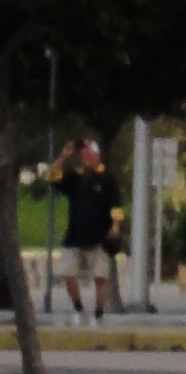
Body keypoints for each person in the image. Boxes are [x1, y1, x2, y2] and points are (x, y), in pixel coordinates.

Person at [52, 138, 120, 324]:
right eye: (82, 155)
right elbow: (53, 179)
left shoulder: (108, 178)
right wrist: (62, 157)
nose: (85, 159)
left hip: (100, 238)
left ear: (96, 156)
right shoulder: (75, 177)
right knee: (67, 272)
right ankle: (78, 307)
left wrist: (115, 226)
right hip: (74, 236)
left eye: (88, 155)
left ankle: (99, 311)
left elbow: (116, 205)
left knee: (100, 277)